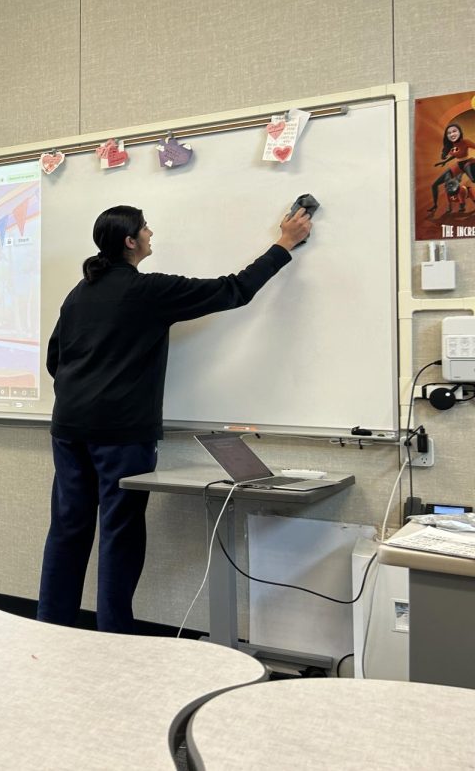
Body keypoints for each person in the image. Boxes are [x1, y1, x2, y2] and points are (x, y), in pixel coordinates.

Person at [37, 203, 312, 633]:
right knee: (119, 532)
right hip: (120, 435)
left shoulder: (80, 292)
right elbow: (234, 290)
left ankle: (49, 629)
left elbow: (56, 360)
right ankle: (114, 636)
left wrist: (84, 392)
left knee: (68, 530)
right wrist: (285, 243)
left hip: (68, 427)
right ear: (130, 242)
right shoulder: (147, 291)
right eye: (144, 228)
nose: (151, 233)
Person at [428, 123, 475, 214]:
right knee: (434, 184)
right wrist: (444, 162)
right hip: (458, 165)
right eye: (449, 133)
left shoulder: (465, 142)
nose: (452, 134)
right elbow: (455, 155)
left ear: (459, 132)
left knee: (473, 179)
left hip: (468, 162)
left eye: (454, 131)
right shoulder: (450, 146)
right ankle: (435, 206)